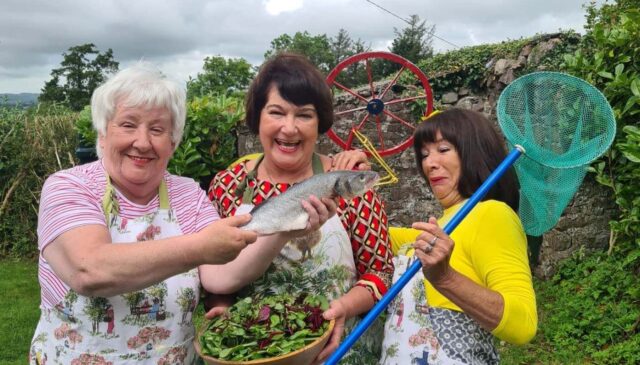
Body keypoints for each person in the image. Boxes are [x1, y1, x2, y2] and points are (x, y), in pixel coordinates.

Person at [29, 62, 336, 364]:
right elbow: (89, 271)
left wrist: (284, 229)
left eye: (158, 129)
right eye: (128, 124)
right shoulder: (68, 187)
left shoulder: (187, 194)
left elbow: (221, 276)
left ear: (173, 143)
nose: (142, 141)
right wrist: (200, 247)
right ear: (102, 132)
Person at [206, 53, 394, 364]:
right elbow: (213, 265)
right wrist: (222, 306)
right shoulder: (228, 185)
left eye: (304, 115)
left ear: (319, 122)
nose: (289, 128)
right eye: (276, 112)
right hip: (255, 349)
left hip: (339, 348)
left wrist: (342, 310)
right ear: (258, 118)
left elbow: (381, 272)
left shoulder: (348, 184)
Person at [380, 109, 537, 365]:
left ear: (474, 151)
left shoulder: (491, 215)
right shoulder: (436, 229)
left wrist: (446, 279)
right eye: (424, 154)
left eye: (443, 150)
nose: (429, 163)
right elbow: (371, 233)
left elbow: (523, 325)